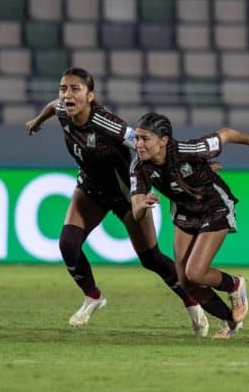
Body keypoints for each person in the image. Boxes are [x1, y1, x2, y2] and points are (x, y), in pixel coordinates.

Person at [24, 68, 210, 335]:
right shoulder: (64, 111)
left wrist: (184, 166)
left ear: (91, 96)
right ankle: (93, 297)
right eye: (63, 88)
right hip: (90, 189)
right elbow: (53, 106)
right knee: (68, 244)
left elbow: (147, 144)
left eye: (75, 89)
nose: (67, 95)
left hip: (126, 195)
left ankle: (193, 304)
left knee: (152, 259)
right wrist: (37, 120)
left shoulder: (107, 123)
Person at [130, 113, 249, 339]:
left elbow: (225, 134)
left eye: (145, 139)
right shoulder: (139, 165)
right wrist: (142, 206)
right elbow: (136, 208)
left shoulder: (190, 149)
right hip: (185, 213)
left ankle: (234, 285)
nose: (138, 144)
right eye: (136, 138)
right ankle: (230, 321)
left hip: (215, 206)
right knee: (185, 281)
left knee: (195, 271)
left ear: (163, 140)